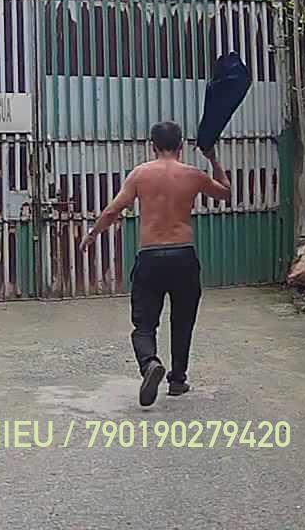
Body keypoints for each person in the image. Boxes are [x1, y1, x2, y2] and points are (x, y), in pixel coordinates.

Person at [79, 122, 231, 407]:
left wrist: (92, 235)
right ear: (181, 146)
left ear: (152, 146)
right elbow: (225, 192)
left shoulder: (140, 174)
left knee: (144, 323)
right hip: (183, 255)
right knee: (183, 320)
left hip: (150, 256)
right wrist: (212, 159)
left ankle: (149, 363)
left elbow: (113, 210)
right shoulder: (193, 175)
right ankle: (177, 380)